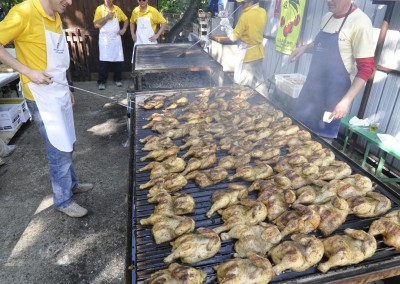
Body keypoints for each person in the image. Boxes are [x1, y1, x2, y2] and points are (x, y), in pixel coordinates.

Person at [0, 0, 93, 218]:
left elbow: (58, 60)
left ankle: (71, 184)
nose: (69, 2)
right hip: (41, 95)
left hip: (59, 90)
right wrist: (28, 71)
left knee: (67, 140)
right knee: (57, 148)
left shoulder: (55, 15)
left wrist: (68, 88)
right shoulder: (23, 12)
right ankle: (63, 200)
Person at [289, 0, 375, 139]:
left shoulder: (361, 22)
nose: (328, 1)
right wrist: (304, 48)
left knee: (319, 145)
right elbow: (320, 44)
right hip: (311, 91)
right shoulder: (327, 16)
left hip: (332, 97)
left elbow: (366, 68)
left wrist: (346, 100)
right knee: (295, 132)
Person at [220, 0, 267, 93]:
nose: (241, 6)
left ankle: (240, 104)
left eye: (243, 3)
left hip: (248, 55)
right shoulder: (263, 12)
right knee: (259, 82)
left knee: (243, 85)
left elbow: (233, 37)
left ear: (250, 1)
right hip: (259, 52)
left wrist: (227, 26)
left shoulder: (245, 16)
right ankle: (267, 103)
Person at [93, 0, 128, 90]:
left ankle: (118, 79)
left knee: (118, 60)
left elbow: (126, 20)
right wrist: (106, 17)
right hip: (105, 40)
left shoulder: (117, 9)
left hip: (116, 39)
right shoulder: (100, 9)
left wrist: (123, 29)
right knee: (104, 62)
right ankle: (102, 82)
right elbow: (96, 25)